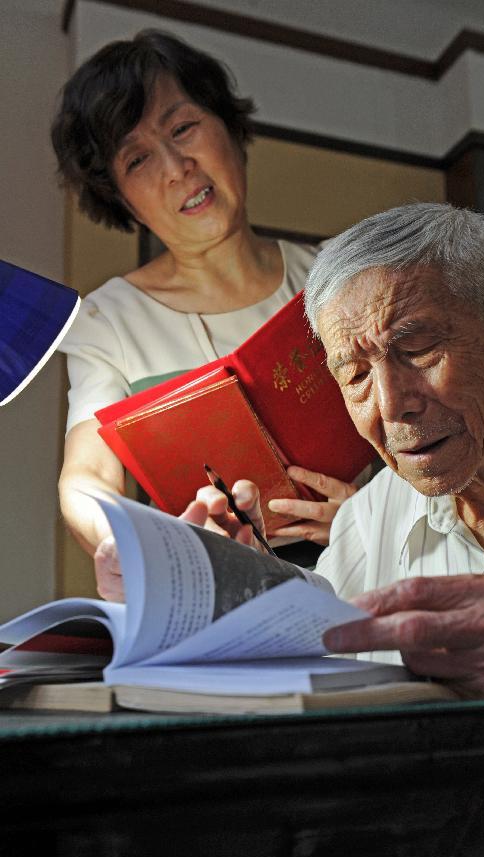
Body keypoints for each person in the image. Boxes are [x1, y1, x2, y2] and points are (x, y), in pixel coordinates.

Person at [162, 203, 484, 857]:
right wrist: (238, 605)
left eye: (418, 347)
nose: (391, 406)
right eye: (354, 373)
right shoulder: (365, 524)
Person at [53, 29, 355, 571]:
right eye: (138, 160)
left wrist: (369, 517)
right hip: (206, 599)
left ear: (231, 128)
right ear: (120, 198)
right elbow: (87, 478)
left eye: (184, 128)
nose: (175, 167)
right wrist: (131, 546)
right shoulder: (106, 320)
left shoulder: (341, 275)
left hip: (362, 583)